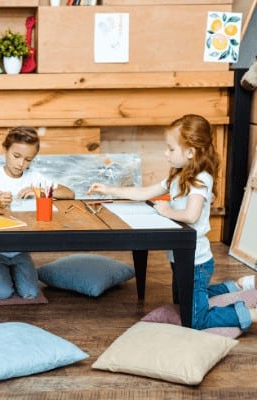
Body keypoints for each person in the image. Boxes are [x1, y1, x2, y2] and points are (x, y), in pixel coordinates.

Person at [87, 114, 257, 330]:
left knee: (195, 319)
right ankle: (238, 285)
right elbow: (144, 192)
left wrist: (166, 210)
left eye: (171, 149)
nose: (165, 153)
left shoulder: (200, 179)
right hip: (181, 255)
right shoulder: (178, 176)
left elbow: (191, 215)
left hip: (197, 260)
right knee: (184, 302)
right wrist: (109, 189)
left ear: (190, 152)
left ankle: (250, 314)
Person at [0, 126, 74, 300]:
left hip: (21, 250)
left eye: (28, 159)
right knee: (2, 293)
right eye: (16, 156)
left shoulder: (34, 178)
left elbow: (69, 193)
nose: (21, 164)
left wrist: (38, 190)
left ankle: (13, 269)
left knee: (30, 293)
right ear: (5, 150)